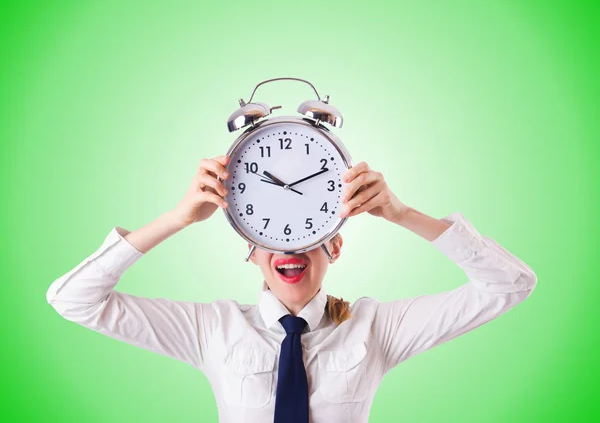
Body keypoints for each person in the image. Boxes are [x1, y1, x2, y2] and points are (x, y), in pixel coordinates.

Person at [46, 155, 537, 423]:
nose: (290, 246)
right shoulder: (208, 329)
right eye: (271, 233)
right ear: (250, 249)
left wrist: (401, 213)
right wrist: (175, 219)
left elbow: (509, 285)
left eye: (306, 230)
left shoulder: (378, 329)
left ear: (336, 247)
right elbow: (74, 300)